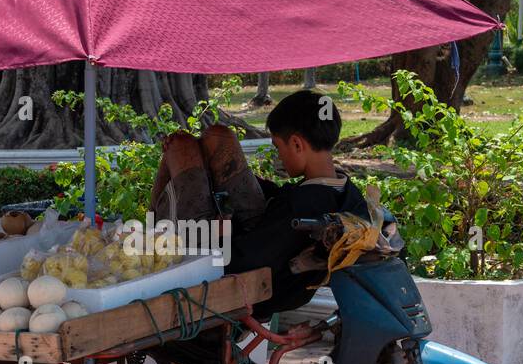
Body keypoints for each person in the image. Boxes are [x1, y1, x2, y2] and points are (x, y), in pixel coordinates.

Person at [150, 89, 366, 315]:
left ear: (296, 144)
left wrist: (223, 232)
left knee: (180, 146)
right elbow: (284, 202)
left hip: (241, 280)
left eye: (277, 147)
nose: (278, 156)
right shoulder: (347, 192)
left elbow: (241, 262)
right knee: (218, 136)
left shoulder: (298, 209)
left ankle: (150, 233)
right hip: (264, 241)